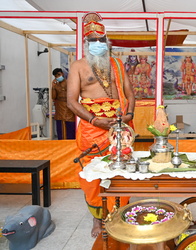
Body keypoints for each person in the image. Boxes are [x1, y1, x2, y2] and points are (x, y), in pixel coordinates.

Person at [66, 12, 135, 238]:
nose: (97, 44)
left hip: (119, 125)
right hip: (92, 128)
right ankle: (98, 219)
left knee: (121, 171)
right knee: (94, 174)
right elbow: (71, 101)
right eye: (92, 42)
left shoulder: (117, 63)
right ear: (86, 45)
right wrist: (95, 120)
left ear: (107, 42)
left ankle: (120, 213)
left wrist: (129, 114)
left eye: (100, 41)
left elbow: (130, 94)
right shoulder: (78, 66)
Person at [51, 68, 76, 139]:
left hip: (69, 110)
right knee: (60, 132)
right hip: (59, 111)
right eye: (56, 76)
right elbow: (53, 97)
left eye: (59, 75)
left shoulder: (70, 84)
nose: (58, 77)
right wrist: (53, 87)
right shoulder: (56, 86)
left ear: (63, 74)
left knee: (70, 132)